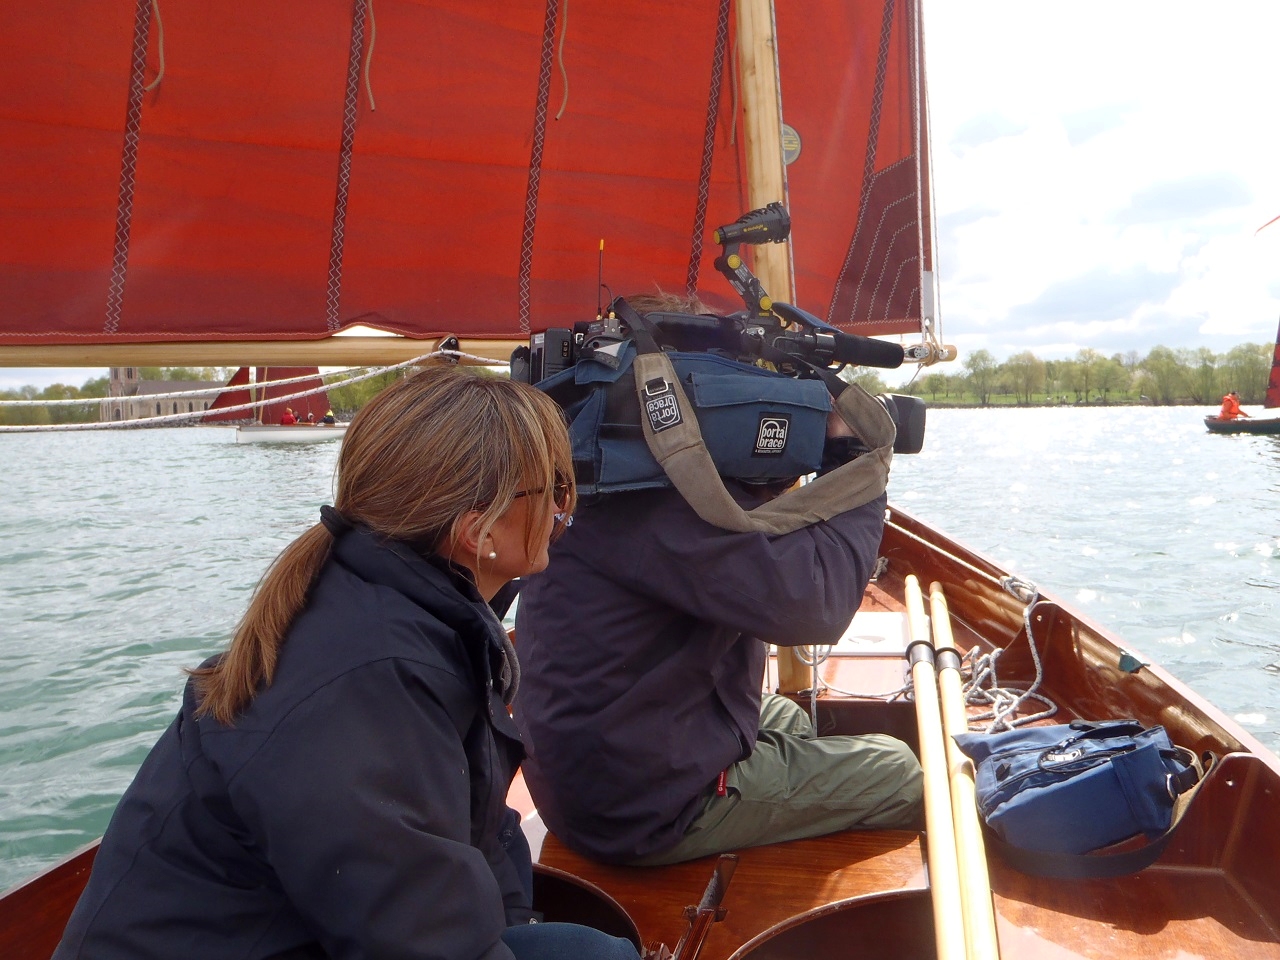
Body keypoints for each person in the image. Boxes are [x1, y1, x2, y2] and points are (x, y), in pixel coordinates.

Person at [55, 364, 638, 960]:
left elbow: (479, 831)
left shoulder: (406, 614)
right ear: (477, 529)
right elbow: (416, 942)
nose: (567, 508)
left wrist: (510, 927)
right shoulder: (369, 678)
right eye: (556, 490)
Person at [513, 294, 923, 867]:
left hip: (586, 763)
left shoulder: (605, 475)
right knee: (897, 768)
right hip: (642, 808)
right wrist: (852, 456)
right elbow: (817, 606)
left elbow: (736, 547)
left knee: (791, 718)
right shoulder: (666, 509)